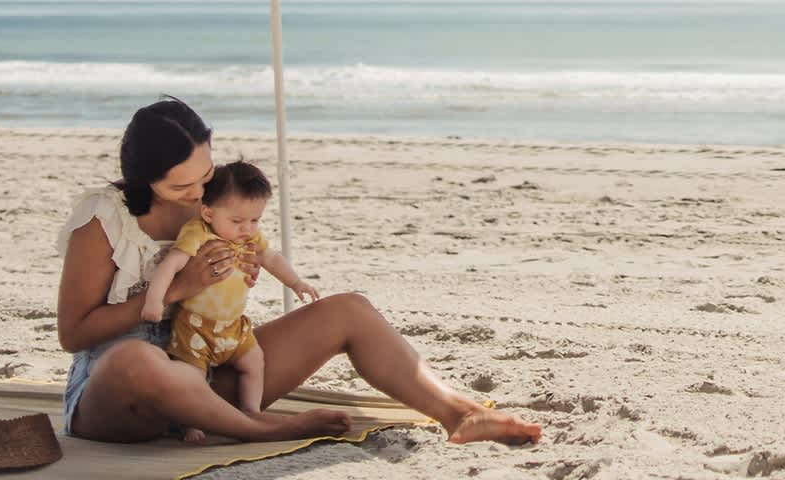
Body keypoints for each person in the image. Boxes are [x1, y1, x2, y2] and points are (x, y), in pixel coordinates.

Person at [56, 96, 541, 445]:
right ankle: (265, 430)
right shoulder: (104, 219)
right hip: (119, 396)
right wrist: (179, 288)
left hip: (207, 374)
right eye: (181, 187)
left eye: (205, 176)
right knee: (138, 360)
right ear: (144, 180)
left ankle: (460, 414)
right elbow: (73, 333)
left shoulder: (214, 203)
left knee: (349, 310)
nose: (199, 193)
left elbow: (240, 271)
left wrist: (235, 277)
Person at [141, 160, 318, 442]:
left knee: (254, 361)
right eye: (237, 221)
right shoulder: (198, 233)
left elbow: (271, 258)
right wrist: (154, 300)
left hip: (234, 326)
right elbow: (171, 264)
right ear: (208, 213)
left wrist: (296, 283)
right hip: (196, 327)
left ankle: (251, 410)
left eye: (255, 220)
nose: (247, 229)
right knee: (193, 377)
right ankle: (192, 423)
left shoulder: (249, 239)